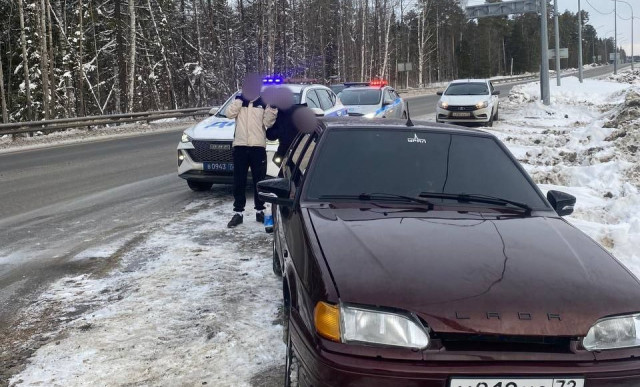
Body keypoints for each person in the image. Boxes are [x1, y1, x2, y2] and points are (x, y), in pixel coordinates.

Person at [226, 74, 278, 228]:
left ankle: (260, 211)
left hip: (257, 147)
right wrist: (239, 100)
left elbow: (268, 122)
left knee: (259, 181)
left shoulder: (263, 102)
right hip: (240, 146)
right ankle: (238, 213)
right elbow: (229, 114)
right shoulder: (239, 101)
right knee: (239, 181)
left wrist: (273, 108)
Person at [266, 87, 306, 163]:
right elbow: (270, 135)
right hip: (290, 150)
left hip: (297, 150)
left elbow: (270, 135)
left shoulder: (299, 111)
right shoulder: (277, 113)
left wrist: (280, 132)